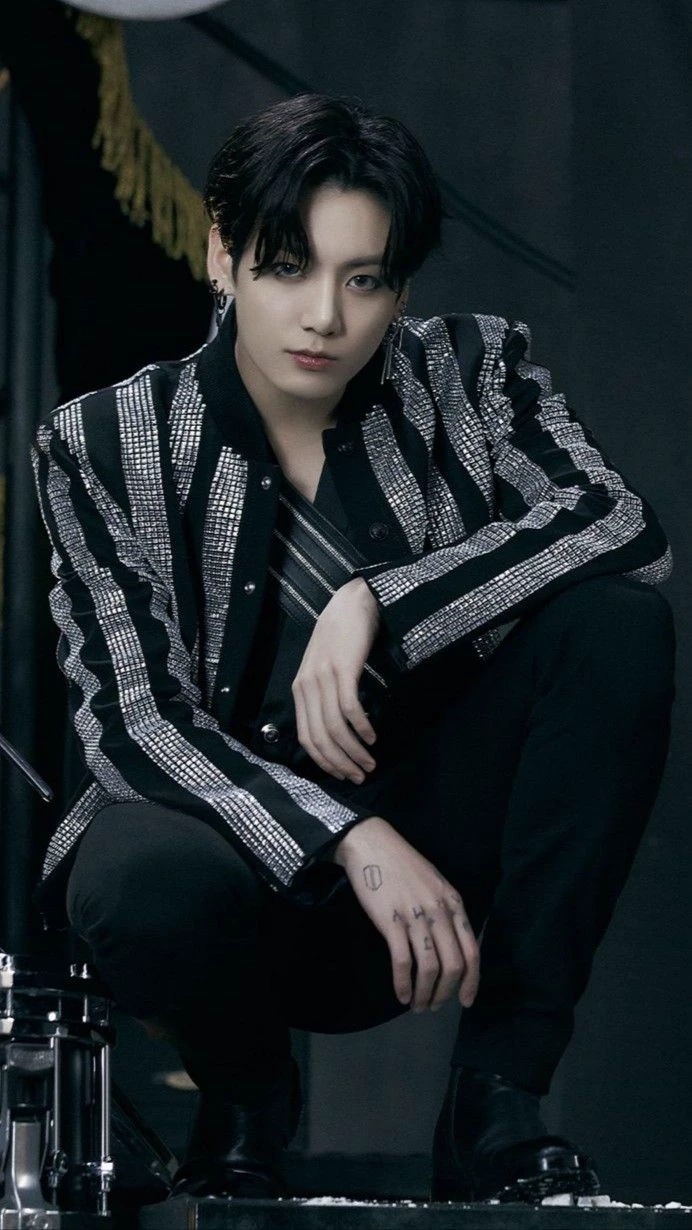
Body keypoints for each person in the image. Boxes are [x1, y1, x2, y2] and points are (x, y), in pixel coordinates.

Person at [31, 92, 676, 1205]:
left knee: (615, 626)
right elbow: (136, 722)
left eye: (363, 279)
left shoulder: (470, 373)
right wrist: (346, 837)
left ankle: (497, 1101)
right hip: (236, 878)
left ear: (401, 289)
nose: (323, 317)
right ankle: (243, 1105)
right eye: (287, 268)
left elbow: (617, 523)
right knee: (135, 874)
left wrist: (382, 601)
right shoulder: (101, 443)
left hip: (439, 851)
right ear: (221, 255)